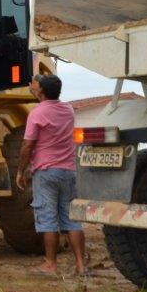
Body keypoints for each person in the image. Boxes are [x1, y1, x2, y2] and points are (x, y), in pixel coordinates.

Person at [16, 73, 87, 276]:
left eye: (35, 85)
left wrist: (21, 171)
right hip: (69, 171)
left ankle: (50, 264)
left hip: (46, 172)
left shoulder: (37, 113)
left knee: (47, 218)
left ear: (41, 91)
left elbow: (28, 144)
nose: (32, 86)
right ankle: (81, 266)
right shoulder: (68, 110)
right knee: (71, 219)